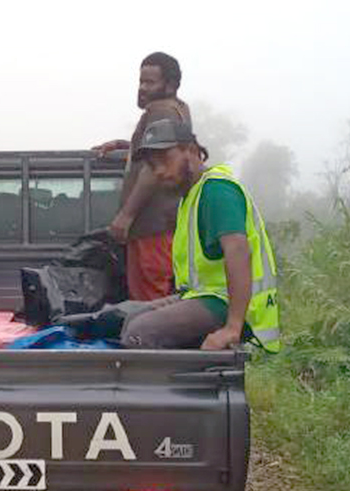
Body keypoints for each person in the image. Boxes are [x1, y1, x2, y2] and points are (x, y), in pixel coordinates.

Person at [119, 119, 280, 352]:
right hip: (206, 296)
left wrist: (232, 328)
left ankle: (169, 389)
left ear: (192, 151)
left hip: (233, 306)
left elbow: (238, 251)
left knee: (140, 333)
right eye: (153, 166)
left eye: (165, 159)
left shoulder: (216, 190)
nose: (160, 171)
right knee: (127, 319)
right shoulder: (191, 195)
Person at [93, 52, 191, 301]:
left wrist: (125, 216)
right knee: (153, 296)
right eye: (141, 81)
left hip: (152, 227)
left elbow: (153, 167)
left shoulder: (161, 111)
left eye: (150, 82)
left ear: (171, 84)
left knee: (149, 301)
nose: (142, 88)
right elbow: (162, 147)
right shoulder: (178, 109)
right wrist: (124, 144)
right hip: (162, 225)